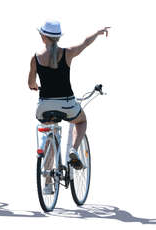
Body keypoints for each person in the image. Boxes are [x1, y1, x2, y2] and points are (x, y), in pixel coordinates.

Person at [28, 20, 109, 194]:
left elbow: (31, 83)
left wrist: (36, 86)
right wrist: (97, 32)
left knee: (49, 133)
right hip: (67, 103)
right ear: (58, 37)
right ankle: (73, 149)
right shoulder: (68, 53)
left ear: (43, 36)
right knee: (81, 121)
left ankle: (48, 183)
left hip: (44, 106)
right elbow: (85, 43)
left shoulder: (35, 58)